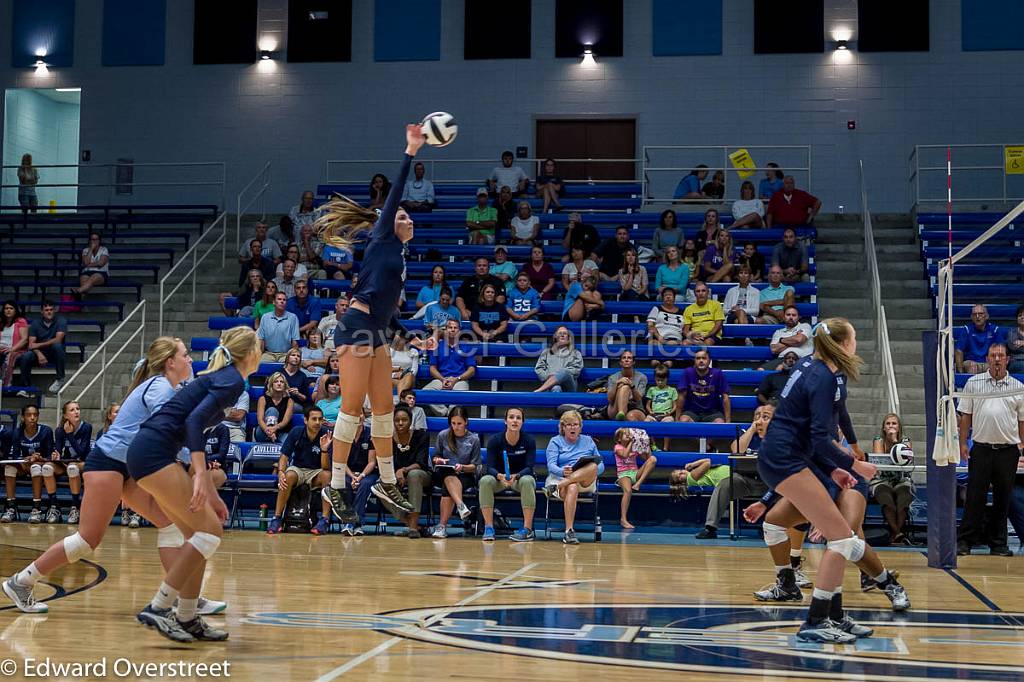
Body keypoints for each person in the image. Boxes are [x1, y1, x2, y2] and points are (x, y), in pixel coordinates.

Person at [2, 337, 228, 623]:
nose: (190, 360)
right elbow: (167, 431)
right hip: (108, 463)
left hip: (131, 467)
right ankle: (20, 582)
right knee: (87, 540)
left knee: (169, 526)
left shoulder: (164, 387)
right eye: (185, 355)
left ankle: (186, 596)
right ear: (170, 362)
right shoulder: (159, 386)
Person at [125, 327, 260, 642]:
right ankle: (159, 607)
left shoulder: (225, 377)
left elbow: (192, 423)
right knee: (210, 532)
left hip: (149, 452)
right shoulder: (233, 380)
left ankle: (186, 617)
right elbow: (194, 422)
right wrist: (201, 474)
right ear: (250, 352)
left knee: (196, 536)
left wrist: (211, 492)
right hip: (154, 452)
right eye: (260, 346)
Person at [754, 318, 881, 642]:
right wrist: (854, 464)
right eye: (853, 337)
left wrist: (832, 469)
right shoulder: (822, 376)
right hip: (785, 459)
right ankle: (815, 621)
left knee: (840, 538)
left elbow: (813, 434)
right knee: (840, 538)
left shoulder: (815, 367)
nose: (856, 344)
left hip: (789, 456)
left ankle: (834, 616)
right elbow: (821, 439)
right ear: (842, 344)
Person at [957, 342, 1024, 557]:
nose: (997, 359)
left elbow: (1022, 421)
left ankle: (999, 544)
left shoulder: (1018, 387)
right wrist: (961, 443)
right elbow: (965, 416)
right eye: (993, 355)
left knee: (1003, 499)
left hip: (1008, 451)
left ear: (1007, 359)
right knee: (974, 497)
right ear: (987, 359)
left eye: (1001, 355)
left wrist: (1023, 447)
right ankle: (965, 541)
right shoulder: (973, 383)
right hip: (982, 449)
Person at [691, 404, 774, 540]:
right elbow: (736, 450)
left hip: (770, 481)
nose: (759, 420)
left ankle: (775, 527)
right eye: (757, 416)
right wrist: (752, 429)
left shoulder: (779, 435)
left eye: (765, 417)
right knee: (725, 484)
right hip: (745, 479)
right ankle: (710, 527)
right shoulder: (745, 432)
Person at [266, 408, 333, 535]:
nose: (318, 422)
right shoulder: (296, 431)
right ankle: (277, 518)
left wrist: (324, 449)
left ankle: (324, 520)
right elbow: (284, 455)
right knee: (287, 476)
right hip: (298, 470)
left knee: (327, 475)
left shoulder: (327, 434)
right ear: (306, 420)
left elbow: (325, 467)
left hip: (317, 472)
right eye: (314, 419)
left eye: (320, 419)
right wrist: (281, 471)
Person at [545, 410, 604, 544]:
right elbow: (551, 466)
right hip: (562, 478)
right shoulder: (555, 441)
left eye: (576, 424)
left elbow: (601, 467)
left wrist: (588, 472)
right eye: (569, 425)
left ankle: (555, 488)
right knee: (572, 486)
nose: (573, 427)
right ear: (563, 427)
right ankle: (569, 531)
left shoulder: (588, 440)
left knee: (594, 466)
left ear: (580, 427)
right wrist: (562, 471)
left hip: (585, 481)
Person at [479, 407, 538, 541]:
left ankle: (527, 529)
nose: (515, 421)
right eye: (511, 417)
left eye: (518, 418)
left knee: (528, 481)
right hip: (500, 479)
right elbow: (489, 467)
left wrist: (516, 476)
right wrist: (499, 476)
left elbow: (529, 467)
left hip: (520, 479)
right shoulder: (495, 440)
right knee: (485, 481)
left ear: (523, 422)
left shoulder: (529, 440)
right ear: (505, 421)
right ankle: (489, 527)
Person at [429, 407, 482, 538]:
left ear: (466, 422)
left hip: (465, 474)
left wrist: (463, 467)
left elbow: (475, 466)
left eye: (459, 423)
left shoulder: (474, 439)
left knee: (447, 486)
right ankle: (460, 505)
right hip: (443, 471)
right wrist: (439, 460)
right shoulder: (443, 435)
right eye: (453, 423)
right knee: (447, 475)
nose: (456, 427)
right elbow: (435, 457)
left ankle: (442, 526)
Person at [384, 405, 431, 537]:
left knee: (414, 475)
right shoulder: (388, 438)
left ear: (410, 421)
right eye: (397, 420)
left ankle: (413, 527)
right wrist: (396, 474)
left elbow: (421, 463)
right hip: (396, 476)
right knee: (379, 486)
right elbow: (386, 462)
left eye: (404, 420)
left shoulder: (421, 435)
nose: (400, 423)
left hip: (421, 475)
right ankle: (412, 525)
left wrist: (404, 470)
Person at [870, 413, 915, 545]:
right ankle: (897, 533)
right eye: (888, 424)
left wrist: (896, 442)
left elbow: (905, 461)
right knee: (886, 498)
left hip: (902, 479)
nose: (891, 426)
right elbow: (880, 462)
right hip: (882, 479)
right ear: (884, 428)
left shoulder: (906, 441)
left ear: (899, 427)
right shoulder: (878, 440)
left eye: (894, 423)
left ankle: (896, 534)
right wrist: (890, 442)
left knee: (904, 498)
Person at [44, 400, 91, 524]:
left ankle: (75, 507)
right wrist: (56, 455)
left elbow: (82, 453)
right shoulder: (59, 430)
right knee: (47, 468)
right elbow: (58, 451)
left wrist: (70, 435)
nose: (76, 412)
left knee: (72, 468)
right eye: (72, 410)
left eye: (77, 409)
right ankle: (54, 507)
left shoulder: (86, 427)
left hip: (82, 463)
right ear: (65, 415)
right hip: (66, 463)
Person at [2, 405, 51, 524]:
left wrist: (39, 458)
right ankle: (11, 507)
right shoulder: (17, 432)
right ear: (23, 417)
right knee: (9, 468)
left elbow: (49, 456)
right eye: (29, 415)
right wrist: (24, 460)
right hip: (24, 464)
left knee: (35, 468)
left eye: (35, 415)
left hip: (40, 464)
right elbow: (15, 456)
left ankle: (36, 509)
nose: (32, 418)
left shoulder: (46, 431)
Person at [422, 319, 476, 415]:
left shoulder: (466, 347)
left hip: (459, 380)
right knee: (426, 392)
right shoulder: (437, 346)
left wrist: (456, 379)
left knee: (461, 393)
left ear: (459, 331)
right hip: (441, 379)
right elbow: (432, 369)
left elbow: (471, 370)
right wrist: (443, 379)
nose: (452, 330)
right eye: (450, 327)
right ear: (445, 330)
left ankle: (453, 417)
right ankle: (447, 414)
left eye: (455, 328)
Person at [16, 300, 67, 395]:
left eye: (51, 309)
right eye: (46, 310)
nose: (49, 312)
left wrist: (38, 345)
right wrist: (39, 354)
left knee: (57, 346)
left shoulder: (61, 321)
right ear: (42, 312)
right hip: (39, 353)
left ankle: (60, 378)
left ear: (54, 310)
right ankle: (25, 387)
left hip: (54, 353)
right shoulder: (36, 323)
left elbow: (58, 340)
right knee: (26, 356)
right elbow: (31, 344)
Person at [612, 427, 657, 530]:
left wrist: (646, 445)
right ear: (619, 439)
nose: (628, 435)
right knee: (627, 491)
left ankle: (638, 483)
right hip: (624, 474)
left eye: (629, 434)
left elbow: (647, 458)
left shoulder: (634, 447)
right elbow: (624, 455)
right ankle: (623, 519)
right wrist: (633, 442)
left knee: (653, 459)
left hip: (635, 473)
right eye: (625, 434)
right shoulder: (617, 447)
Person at [677, 348, 731, 425]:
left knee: (719, 423)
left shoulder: (717, 373)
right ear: (694, 361)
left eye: (704, 358)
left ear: (709, 361)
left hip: (713, 412)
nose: (701, 361)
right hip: (692, 412)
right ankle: (695, 437)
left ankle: (709, 437)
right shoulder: (687, 372)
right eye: (698, 358)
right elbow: (681, 396)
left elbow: (725, 397)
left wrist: (728, 421)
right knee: (683, 421)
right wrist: (677, 418)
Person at [955, 304, 1005, 374]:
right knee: (970, 366)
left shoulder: (994, 330)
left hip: (989, 362)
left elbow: (1001, 349)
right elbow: (958, 351)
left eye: (980, 314)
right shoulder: (967, 330)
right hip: (971, 362)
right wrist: (961, 373)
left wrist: (995, 362)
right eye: (975, 314)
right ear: (971, 317)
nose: (978, 317)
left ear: (987, 316)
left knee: (995, 367)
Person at [534, 325, 583, 393]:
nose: (562, 335)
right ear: (555, 337)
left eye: (565, 333)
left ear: (568, 337)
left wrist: (558, 376)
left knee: (564, 372)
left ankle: (539, 390)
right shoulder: (546, 352)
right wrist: (548, 376)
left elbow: (576, 370)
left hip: (568, 387)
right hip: (550, 386)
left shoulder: (576, 353)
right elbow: (539, 369)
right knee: (556, 388)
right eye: (560, 333)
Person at [257, 292, 300, 362]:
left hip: (286, 354)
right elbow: (261, 340)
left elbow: (294, 342)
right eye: (279, 299)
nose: (282, 301)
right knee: (259, 365)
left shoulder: (293, 317)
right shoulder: (265, 317)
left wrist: (294, 356)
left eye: (284, 300)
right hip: (268, 353)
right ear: (274, 302)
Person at [606, 350, 647, 421]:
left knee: (630, 417)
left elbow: (638, 399)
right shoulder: (613, 377)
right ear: (620, 362)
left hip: (635, 407)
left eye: (629, 358)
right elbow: (610, 399)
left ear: (633, 362)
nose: (626, 360)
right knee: (624, 387)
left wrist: (632, 386)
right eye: (624, 358)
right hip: (615, 408)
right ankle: (621, 412)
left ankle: (622, 415)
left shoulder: (641, 377)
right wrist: (617, 384)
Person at [254, 372, 294, 443]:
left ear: (285, 385)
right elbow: (260, 420)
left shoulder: (289, 401)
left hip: (281, 432)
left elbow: (285, 421)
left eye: (282, 382)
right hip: (263, 431)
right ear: (271, 384)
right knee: (272, 410)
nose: (279, 384)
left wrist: (274, 429)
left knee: (290, 444)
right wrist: (268, 431)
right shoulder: (263, 399)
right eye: (276, 381)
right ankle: (271, 436)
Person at [0, 300, 29, 387]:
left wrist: (11, 349)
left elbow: (24, 339)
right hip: (1, 349)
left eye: (11, 308)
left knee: (9, 356)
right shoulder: (1, 322)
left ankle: (6, 384)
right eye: (6, 308)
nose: (8, 310)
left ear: (15, 310)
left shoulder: (21, 321)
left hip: (16, 350)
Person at [75, 232, 110, 297]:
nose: (94, 241)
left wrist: (89, 265)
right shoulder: (85, 250)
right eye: (92, 239)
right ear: (90, 241)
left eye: (96, 239)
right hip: (87, 272)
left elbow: (101, 263)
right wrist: (91, 249)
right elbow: (86, 262)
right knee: (83, 279)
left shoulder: (104, 249)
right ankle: (80, 301)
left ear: (99, 241)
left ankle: (78, 291)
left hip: (101, 272)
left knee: (94, 277)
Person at [1004, 304, 1024, 373]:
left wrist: (1022, 343)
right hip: (1016, 361)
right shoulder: (1012, 332)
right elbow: (1013, 347)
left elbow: (1020, 348)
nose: (1022, 317)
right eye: (1020, 315)